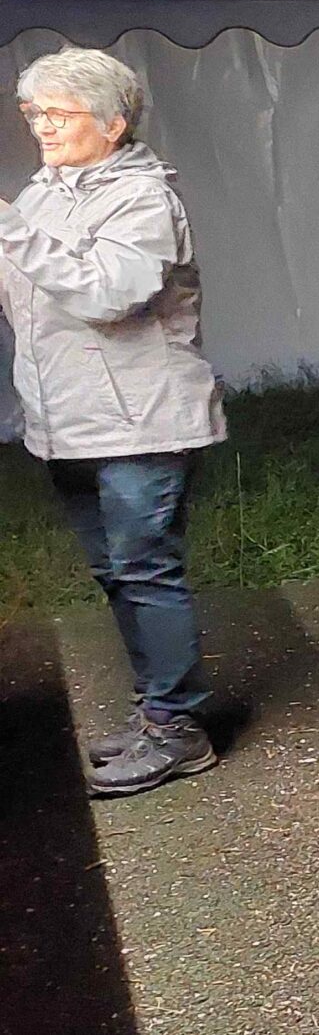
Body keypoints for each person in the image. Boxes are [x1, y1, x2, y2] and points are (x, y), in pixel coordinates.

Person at [1, 46, 226, 797]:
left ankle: (179, 730)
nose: (40, 126)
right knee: (114, 573)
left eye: (57, 114)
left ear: (113, 123)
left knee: (144, 571)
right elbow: (24, 294)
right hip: (65, 421)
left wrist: (9, 229)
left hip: (140, 422)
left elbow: (108, 294)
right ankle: (156, 707)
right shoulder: (44, 193)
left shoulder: (143, 198)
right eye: (33, 112)